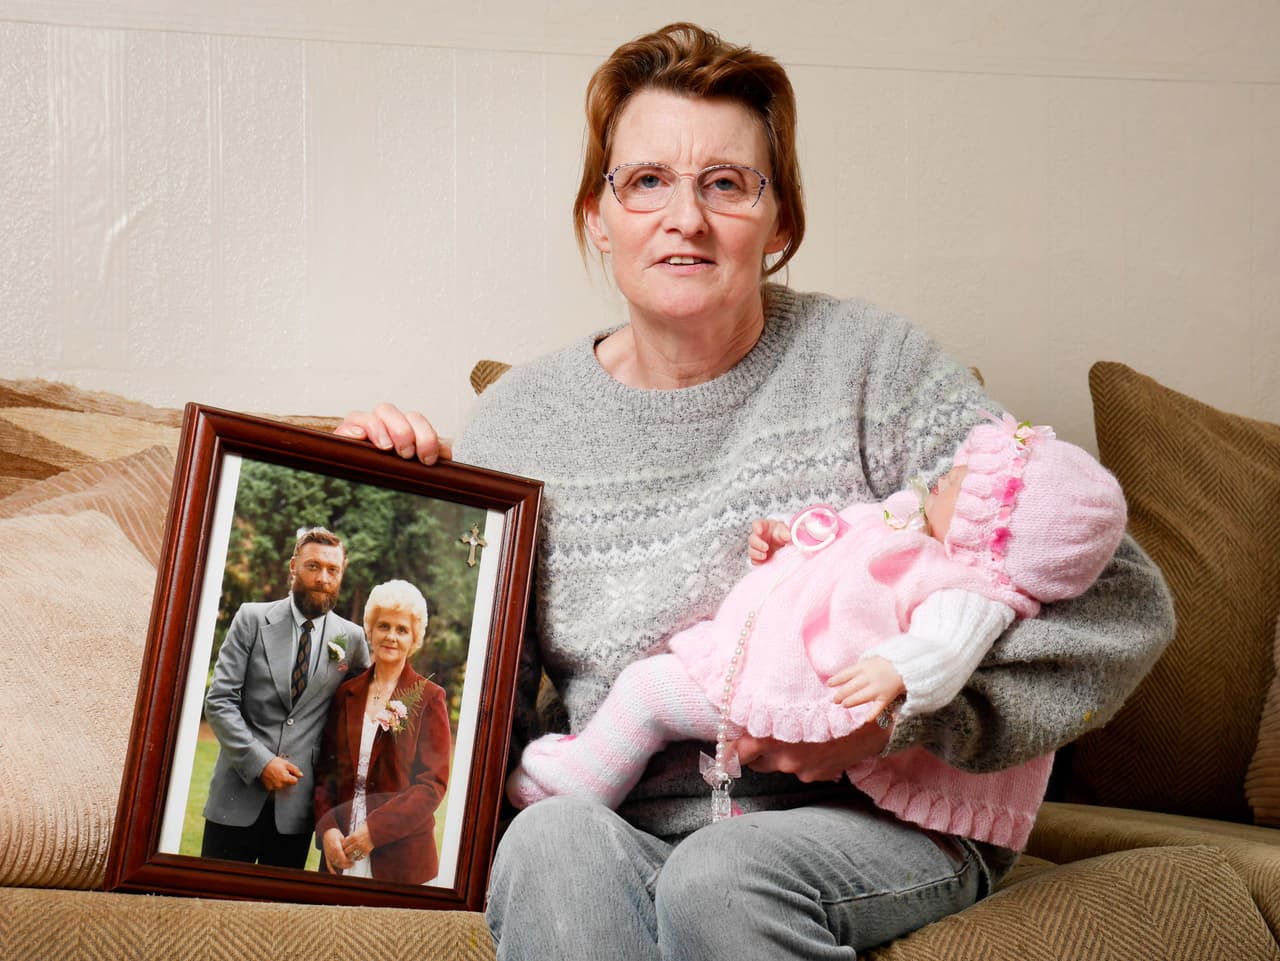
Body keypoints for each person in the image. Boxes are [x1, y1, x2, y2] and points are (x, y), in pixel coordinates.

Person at [336, 21, 1174, 960]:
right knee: (548, 840)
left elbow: (1121, 602)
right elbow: (479, 707)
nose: (684, 217)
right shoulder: (519, 425)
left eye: (726, 184)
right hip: (630, 823)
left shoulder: (874, 368)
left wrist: (901, 717)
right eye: (646, 180)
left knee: (722, 873)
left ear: (781, 225)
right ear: (596, 216)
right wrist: (390, 500)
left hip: (879, 820)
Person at [505, 415, 1127, 853]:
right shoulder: (911, 525)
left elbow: (946, 651)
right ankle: (583, 786)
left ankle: (576, 781)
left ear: (989, 526)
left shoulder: (964, 590)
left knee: (647, 694)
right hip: (770, 668)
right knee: (650, 692)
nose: (946, 473)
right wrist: (790, 537)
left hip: (806, 690)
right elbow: (844, 535)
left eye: (963, 484)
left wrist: (899, 674)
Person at [201, 527, 370, 868]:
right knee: (213, 910)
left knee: (278, 917)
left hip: (298, 811)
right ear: (293, 566)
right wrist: (261, 762)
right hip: (235, 797)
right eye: (313, 566)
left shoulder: (352, 640)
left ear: (341, 573)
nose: (323, 577)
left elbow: (358, 722)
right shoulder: (251, 618)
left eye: (332, 569)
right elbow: (219, 700)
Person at [313, 579, 452, 884]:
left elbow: (432, 786)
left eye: (402, 630)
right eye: (384, 626)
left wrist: (374, 832)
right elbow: (325, 773)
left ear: (414, 638)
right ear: (370, 631)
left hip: (401, 857)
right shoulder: (346, 693)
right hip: (341, 848)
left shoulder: (429, 697)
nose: (391, 637)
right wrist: (327, 829)